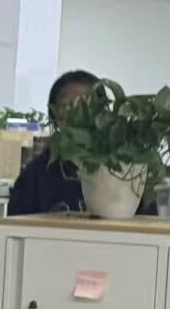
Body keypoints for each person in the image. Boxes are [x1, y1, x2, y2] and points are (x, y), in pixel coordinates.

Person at [8, 69, 113, 216]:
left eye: (85, 105)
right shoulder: (35, 175)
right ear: (54, 115)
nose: (76, 114)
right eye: (66, 105)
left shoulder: (121, 172)